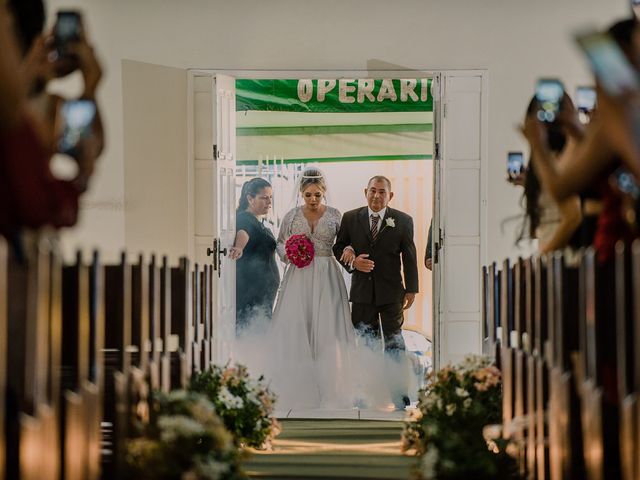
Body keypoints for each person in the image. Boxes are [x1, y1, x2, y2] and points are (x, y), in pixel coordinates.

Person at [267, 168, 356, 409]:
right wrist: (290, 254)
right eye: (308, 195)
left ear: (324, 192)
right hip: (299, 276)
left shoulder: (336, 216)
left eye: (317, 195)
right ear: (301, 193)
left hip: (327, 275)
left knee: (328, 329)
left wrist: (349, 250)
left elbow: (345, 243)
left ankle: (330, 387)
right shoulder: (291, 217)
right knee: (298, 327)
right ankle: (299, 387)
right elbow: (280, 243)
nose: (313, 200)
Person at [333, 175, 419, 409]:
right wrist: (352, 263)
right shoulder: (351, 218)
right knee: (366, 342)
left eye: (382, 192)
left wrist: (412, 289)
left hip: (392, 293)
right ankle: (366, 393)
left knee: (394, 341)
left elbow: (409, 255)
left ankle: (399, 393)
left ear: (390, 196)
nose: (376, 196)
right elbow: (338, 246)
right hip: (361, 293)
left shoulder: (402, 220)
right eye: (373, 191)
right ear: (365, 192)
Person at [230, 178, 280, 335]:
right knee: (250, 333)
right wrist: (238, 248)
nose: (269, 202)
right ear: (250, 199)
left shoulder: (257, 221)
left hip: (263, 293)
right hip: (251, 292)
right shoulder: (244, 220)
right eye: (264, 198)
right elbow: (243, 233)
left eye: (270, 197)